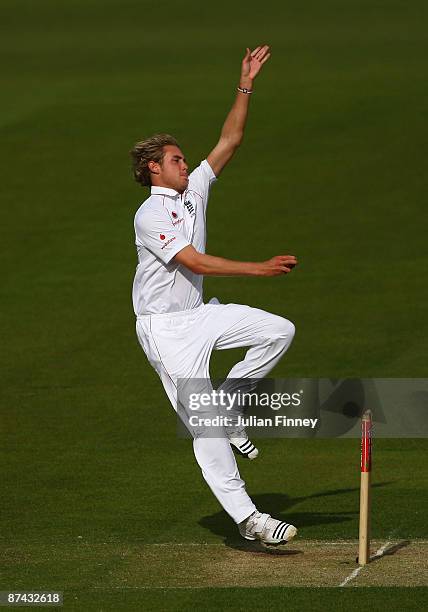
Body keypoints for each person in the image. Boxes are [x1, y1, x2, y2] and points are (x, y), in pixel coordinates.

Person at [130, 45, 298, 546]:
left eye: (184, 158)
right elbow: (195, 262)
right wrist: (259, 268)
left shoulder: (194, 189)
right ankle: (250, 519)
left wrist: (244, 85)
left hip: (200, 314)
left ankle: (230, 403)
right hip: (166, 330)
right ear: (154, 169)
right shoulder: (150, 214)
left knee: (278, 331)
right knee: (205, 428)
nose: (187, 164)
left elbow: (230, 139)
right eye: (177, 159)